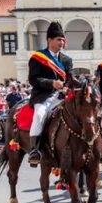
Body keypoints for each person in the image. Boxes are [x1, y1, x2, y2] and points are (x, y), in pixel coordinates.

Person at [28, 21, 74, 167]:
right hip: (44, 96)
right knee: (40, 115)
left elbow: (70, 78)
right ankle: (34, 150)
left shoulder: (67, 60)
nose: (62, 42)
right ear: (49, 40)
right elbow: (33, 79)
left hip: (62, 97)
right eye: (58, 39)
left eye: (63, 39)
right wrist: (51, 83)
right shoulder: (38, 57)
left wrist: (67, 87)